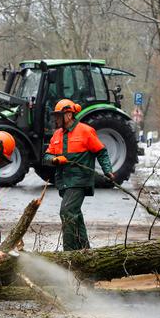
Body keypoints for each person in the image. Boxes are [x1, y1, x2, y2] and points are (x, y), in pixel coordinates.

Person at [44, 99, 114, 251]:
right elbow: (47, 156)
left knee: (67, 211)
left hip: (80, 180)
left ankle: (68, 253)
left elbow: (101, 152)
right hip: (64, 181)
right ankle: (84, 250)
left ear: (68, 115)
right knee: (75, 215)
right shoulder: (56, 135)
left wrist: (107, 170)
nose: (56, 119)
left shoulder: (85, 131)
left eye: (58, 115)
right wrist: (54, 160)